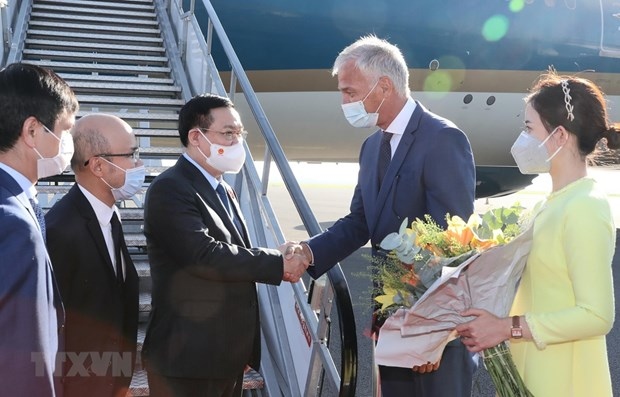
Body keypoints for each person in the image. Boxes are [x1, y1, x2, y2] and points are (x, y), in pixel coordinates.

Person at [296, 35, 477, 396]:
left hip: (434, 331)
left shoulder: (442, 139)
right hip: (392, 323)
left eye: (349, 91)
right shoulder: (371, 146)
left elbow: (452, 246)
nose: (344, 102)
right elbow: (360, 221)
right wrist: (308, 253)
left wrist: (435, 333)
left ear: (383, 87)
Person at [456, 72, 619, 396]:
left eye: (529, 128)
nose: (522, 138)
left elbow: (597, 315)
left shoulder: (584, 207)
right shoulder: (555, 202)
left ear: (559, 136)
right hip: (535, 376)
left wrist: (506, 328)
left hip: (564, 382)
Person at [141, 93, 309, 397]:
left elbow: (235, 255)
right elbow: (204, 255)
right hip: (187, 361)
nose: (236, 142)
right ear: (196, 137)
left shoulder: (224, 190)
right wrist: (277, 262)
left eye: (239, 133)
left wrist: (244, 351)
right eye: (228, 133)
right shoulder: (171, 188)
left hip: (225, 357)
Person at [45, 114, 143, 397]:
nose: (139, 164)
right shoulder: (61, 230)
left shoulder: (110, 215)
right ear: (99, 165)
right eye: (131, 154)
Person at [0, 62, 79, 396]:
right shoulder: (13, 222)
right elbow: (17, 360)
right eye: (64, 130)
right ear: (32, 131)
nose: (69, 143)